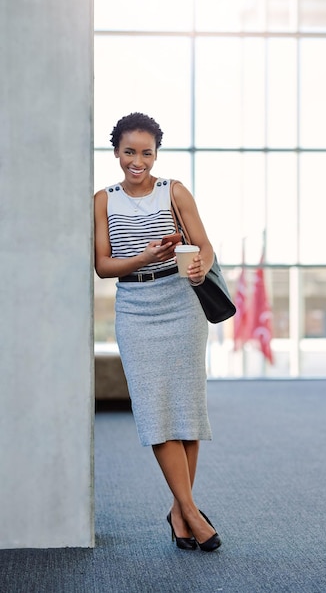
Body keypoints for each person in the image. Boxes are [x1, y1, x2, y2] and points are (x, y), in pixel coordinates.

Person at [94, 112, 221, 552]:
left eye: (146, 152)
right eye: (129, 152)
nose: (138, 161)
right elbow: (104, 265)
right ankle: (189, 511)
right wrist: (144, 258)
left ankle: (179, 511)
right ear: (116, 152)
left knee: (185, 411)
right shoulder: (103, 200)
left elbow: (204, 244)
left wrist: (199, 262)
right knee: (154, 413)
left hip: (182, 305)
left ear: (155, 154)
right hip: (135, 309)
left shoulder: (175, 191)